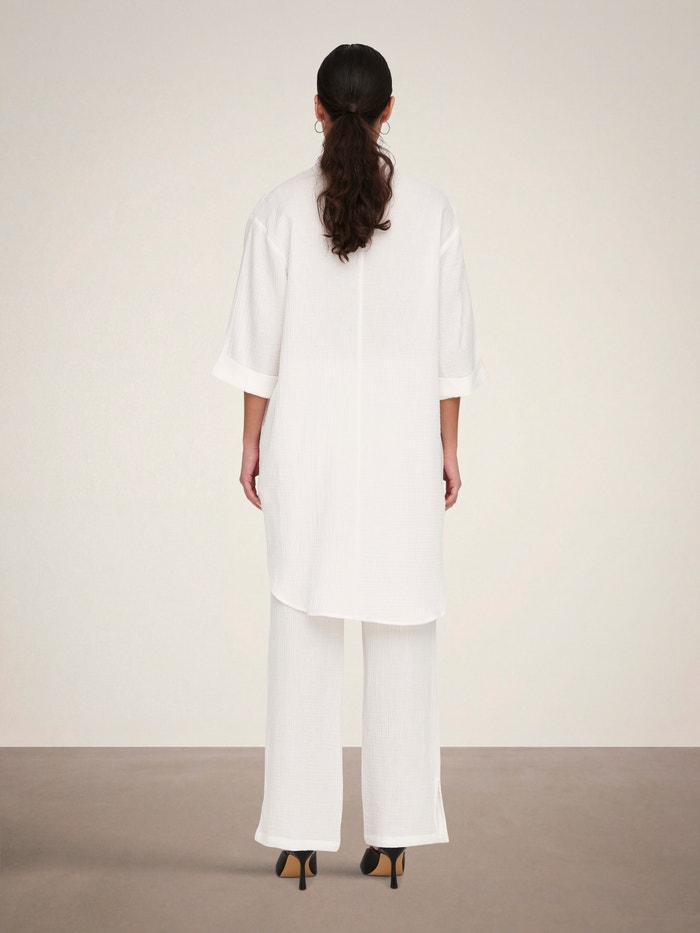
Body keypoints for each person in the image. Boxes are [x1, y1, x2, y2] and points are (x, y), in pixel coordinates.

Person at [212, 43, 488, 891]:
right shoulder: (433, 211)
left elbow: (257, 345)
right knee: (404, 632)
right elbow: (450, 352)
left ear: (319, 109)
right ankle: (394, 838)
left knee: (302, 630)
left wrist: (251, 441)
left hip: (308, 446)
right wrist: (447, 446)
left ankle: (298, 840)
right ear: (390, 111)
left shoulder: (278, 210)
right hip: (403, 449)